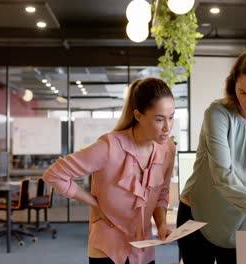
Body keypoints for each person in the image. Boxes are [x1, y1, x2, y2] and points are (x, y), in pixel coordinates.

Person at [43, 77, 176, 264]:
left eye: (171, 118)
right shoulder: (109, 146)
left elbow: (161, 194)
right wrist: (94, 203)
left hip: (143, 250)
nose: (167, 127)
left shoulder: (167, 149)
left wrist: (162, 225)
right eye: (159, 119)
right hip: (107, 248)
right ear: (138, 116)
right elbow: (54, 175)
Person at [177, 49, 246, 263]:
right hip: (198, 215)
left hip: (242, 221)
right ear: (233, 89)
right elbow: (222, 174)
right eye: (243, 92)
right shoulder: (218, 114)